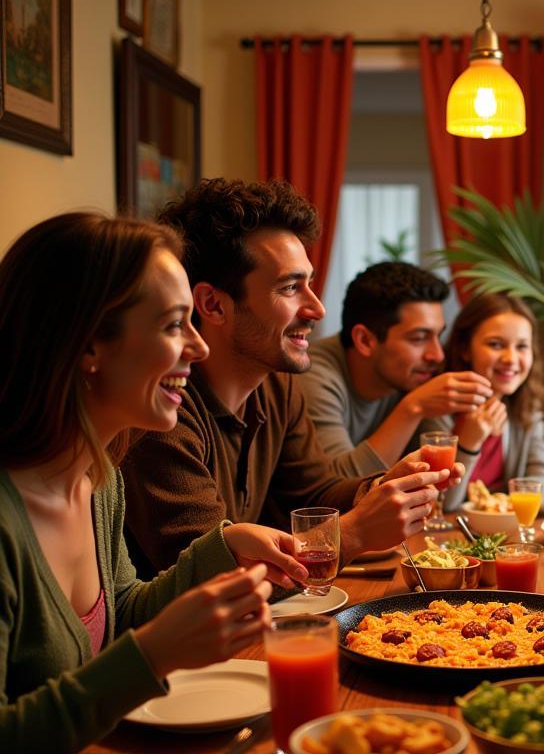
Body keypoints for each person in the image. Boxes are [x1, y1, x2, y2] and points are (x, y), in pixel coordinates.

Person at [0, 212, 306, 754]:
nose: (196, 345)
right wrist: (152, 656)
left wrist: (224, 546)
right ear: (87, 342)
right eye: (174, 325)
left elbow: (120, 615)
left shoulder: (96, 478)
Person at [120, 179, 458, 576]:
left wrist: (379, 489)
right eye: (290, 287)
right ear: (212, 304)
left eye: (309, 284)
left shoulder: (276, 385)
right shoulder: (159, 411)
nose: (316, 309)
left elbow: (313, 492)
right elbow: (215, 578)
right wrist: (352, 534)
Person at [300, 261, 492, 476]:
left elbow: (439, 482)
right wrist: (413, 408)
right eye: (419, 338)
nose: (437, 355)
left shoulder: (416, 373)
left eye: (438, 335)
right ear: (365, 340)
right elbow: (335, 489)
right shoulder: (313, 375)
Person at [439, 293, 544, 509]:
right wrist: (468, 444)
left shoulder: (525, 410)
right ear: (465, 349)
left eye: (522, 346)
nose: (511, 358)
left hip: (501, 538)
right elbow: (442, 504)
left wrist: (496, 501)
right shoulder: (438, 408)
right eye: (496, 344)